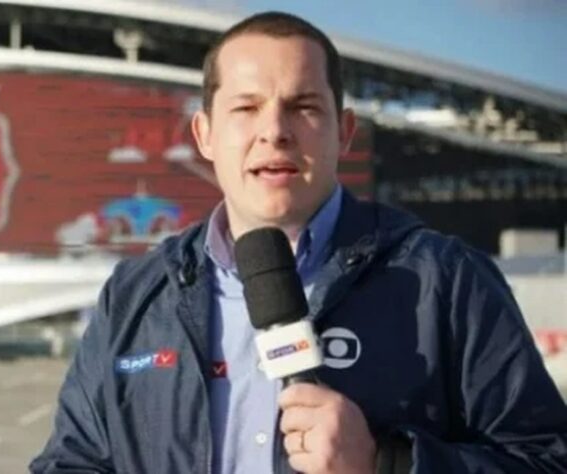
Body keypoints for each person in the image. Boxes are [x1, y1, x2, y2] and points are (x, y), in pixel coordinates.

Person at [30, 11, 567, 474]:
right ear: (205, 136)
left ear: (344, 132)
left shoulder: (448, 282)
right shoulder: (138, 294)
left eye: (304, 106)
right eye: (246, 108)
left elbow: (546, 460)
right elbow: (72, 461)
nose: (275, 131)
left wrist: (390, 462)